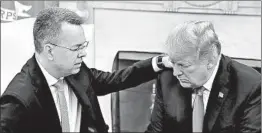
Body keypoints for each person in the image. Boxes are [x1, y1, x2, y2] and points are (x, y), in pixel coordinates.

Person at [0, 7, 169, 133]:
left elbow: (115, 80)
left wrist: (159, 63)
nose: (84, 53)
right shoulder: (18, 100)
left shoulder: (76, 71)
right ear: (50, 50)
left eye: (84, 46)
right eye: (76, 48)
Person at [145, 21, 261, 133]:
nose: (175, 72)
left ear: (210, 60)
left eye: (183, 65)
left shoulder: (250, 86)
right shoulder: (167, 78)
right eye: (173, 62)